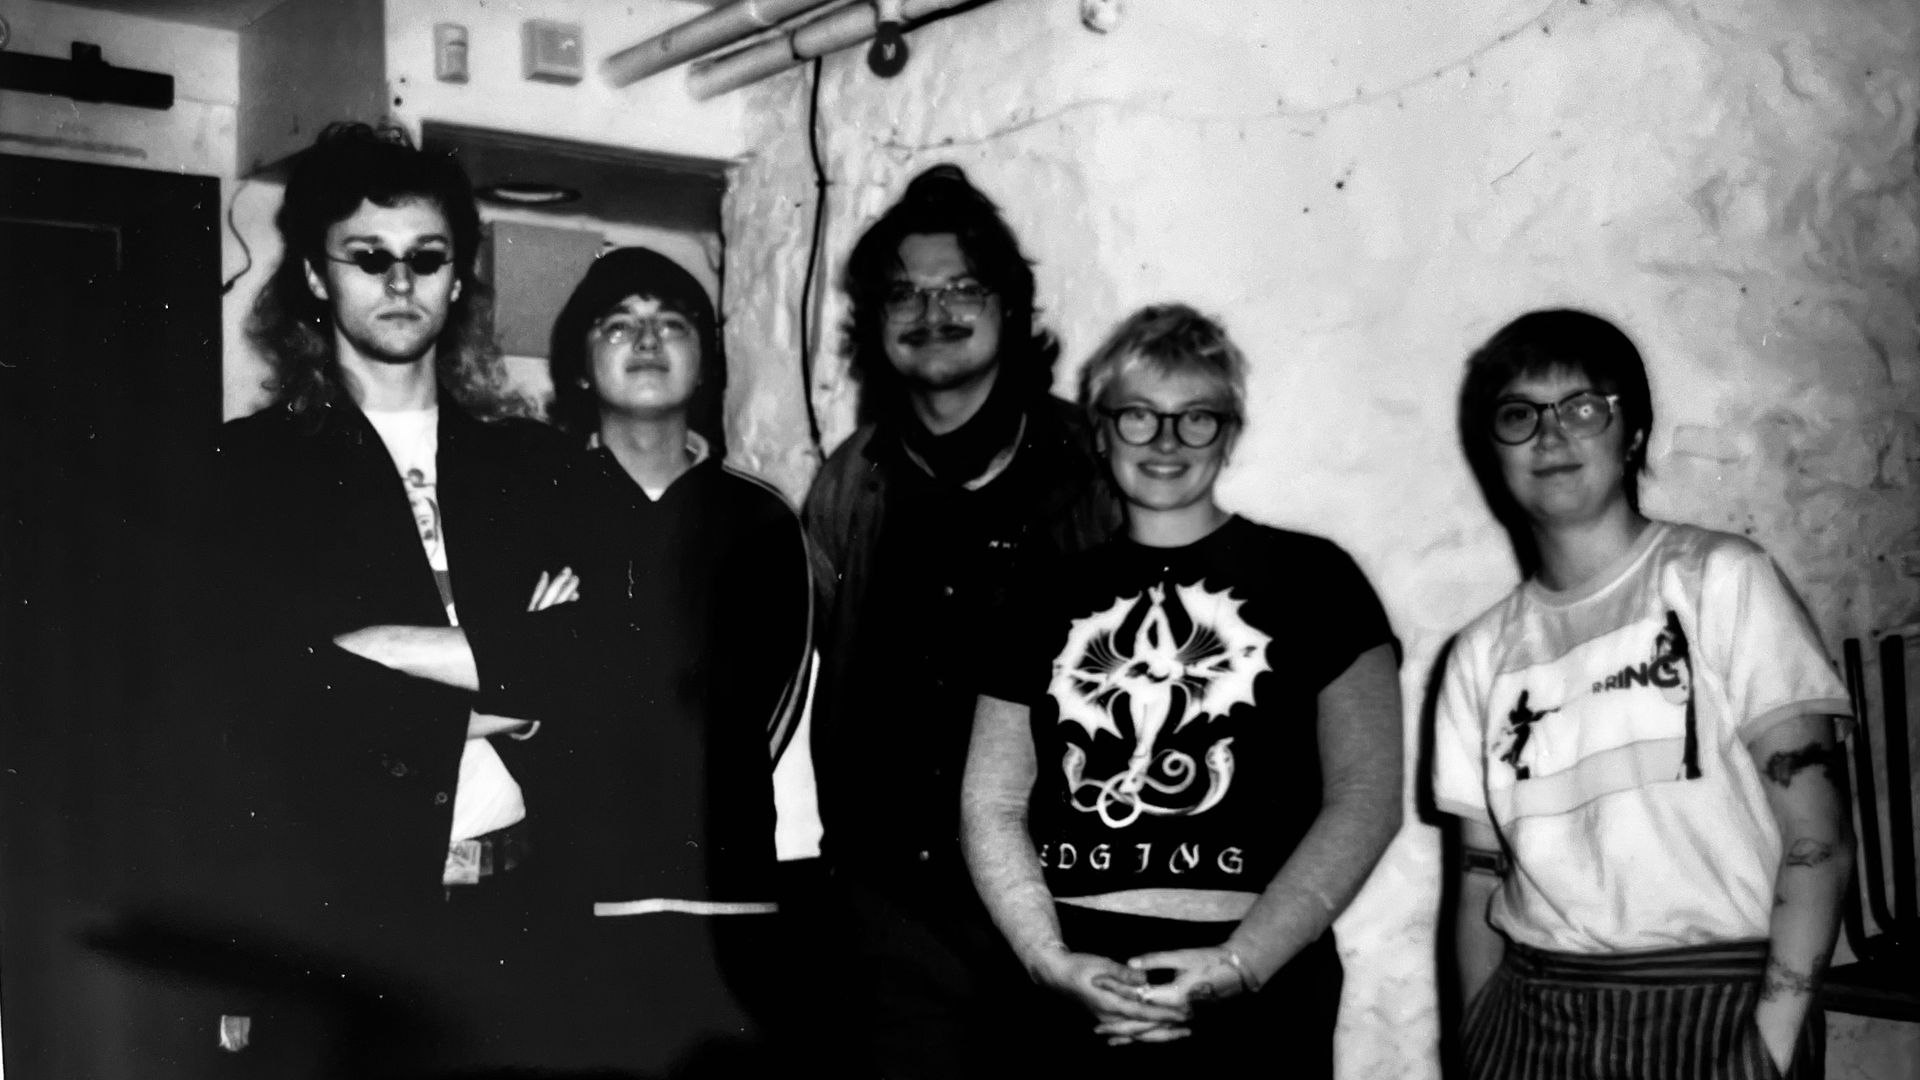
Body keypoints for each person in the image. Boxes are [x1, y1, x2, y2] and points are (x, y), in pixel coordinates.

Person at [337, 247, 815, 1075]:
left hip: (729, 899)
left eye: (672, 323)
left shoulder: (761, 519)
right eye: (618, 324)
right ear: (581, 362)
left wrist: (565, 660)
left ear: (706, 358)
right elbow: (516, 682)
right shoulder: (530, 506)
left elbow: (753, 705)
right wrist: (555, 677)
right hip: (565, 896)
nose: (647, 340)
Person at [211, 121, 575, 1073]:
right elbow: (261, 699)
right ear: (319, 279)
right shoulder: (245, 472)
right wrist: (515, 677)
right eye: (370, 258)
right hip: (344, 919)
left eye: (427, 258)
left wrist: (377, 651)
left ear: (459, 279)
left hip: (525, 905)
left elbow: (597, 664)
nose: (402, 282)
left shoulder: (531, 466)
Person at [960, 304, 1404, 1077]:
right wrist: (1047, 961)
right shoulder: (1039, 596)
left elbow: (1366, 796)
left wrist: (1243, 965)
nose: (1165, 442)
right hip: (1076, 995)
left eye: (1195, 418)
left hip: (1260, 994)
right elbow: (992, 803)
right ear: (1100, 430)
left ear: (1229, 432)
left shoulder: (1314, 578)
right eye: (1138, 416)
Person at [1432, 308, 1854, 1080]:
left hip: (1716, 1007)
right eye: (1519, 415)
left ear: (1631, 435)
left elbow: (1817, 838)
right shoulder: (1479, 655)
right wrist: (1475, 1045)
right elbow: (1475, 885)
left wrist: (1775, 1041)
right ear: (1493, 450)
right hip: (1533, 1016)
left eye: (1584, 408)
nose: (1551, 436)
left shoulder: (1718, 580)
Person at [802, 163, 1122, 1077]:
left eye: (960, 288)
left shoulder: (1088, 470)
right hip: (890, 914)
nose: (930, 310)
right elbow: (821, 654)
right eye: (904, 292)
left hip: (1061, 903)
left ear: (1011, 309)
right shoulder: (849, 481)